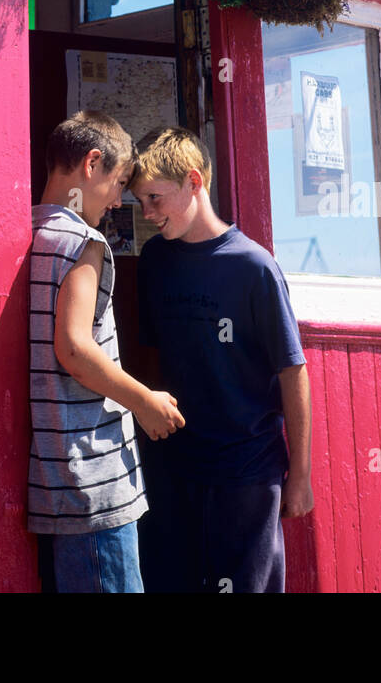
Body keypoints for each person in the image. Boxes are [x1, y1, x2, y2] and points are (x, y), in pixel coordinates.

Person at [132, 125, 312, 594]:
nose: (148, 213)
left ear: (194, 181)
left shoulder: (253, 266)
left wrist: (301, 476)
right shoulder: (153, 260)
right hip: (173, 471)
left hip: (246, 472)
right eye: (140, 202)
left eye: (155, 198)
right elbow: (149, 359)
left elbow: (293, 372)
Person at [28, 110, 185, 593]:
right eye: (118, 184)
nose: (119, 201)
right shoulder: (84, 241)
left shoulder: (33, 230)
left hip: (56, 477)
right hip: (96, 478)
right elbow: (75, 348)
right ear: (92, 163)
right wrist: (145, 401)